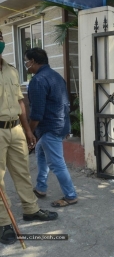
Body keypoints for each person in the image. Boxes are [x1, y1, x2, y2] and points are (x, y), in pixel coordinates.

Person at [0, 32, 58, 245]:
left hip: (15, 128)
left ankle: (30, 209)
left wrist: (27, 130)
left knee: (23, 172)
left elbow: (20, 102)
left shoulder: (12, 70)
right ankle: (4, 222)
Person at [25, 48, 78, 208]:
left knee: (57, 164)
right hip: (60, 125)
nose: (26, 64)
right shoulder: (56, 76)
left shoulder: (38, 80)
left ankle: (70, 196)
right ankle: (41, 187)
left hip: (50, 128)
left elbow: (37, 114)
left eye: (26, 61)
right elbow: (63, 103)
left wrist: (29, 132)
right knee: (40, 152)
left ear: (33, 61)